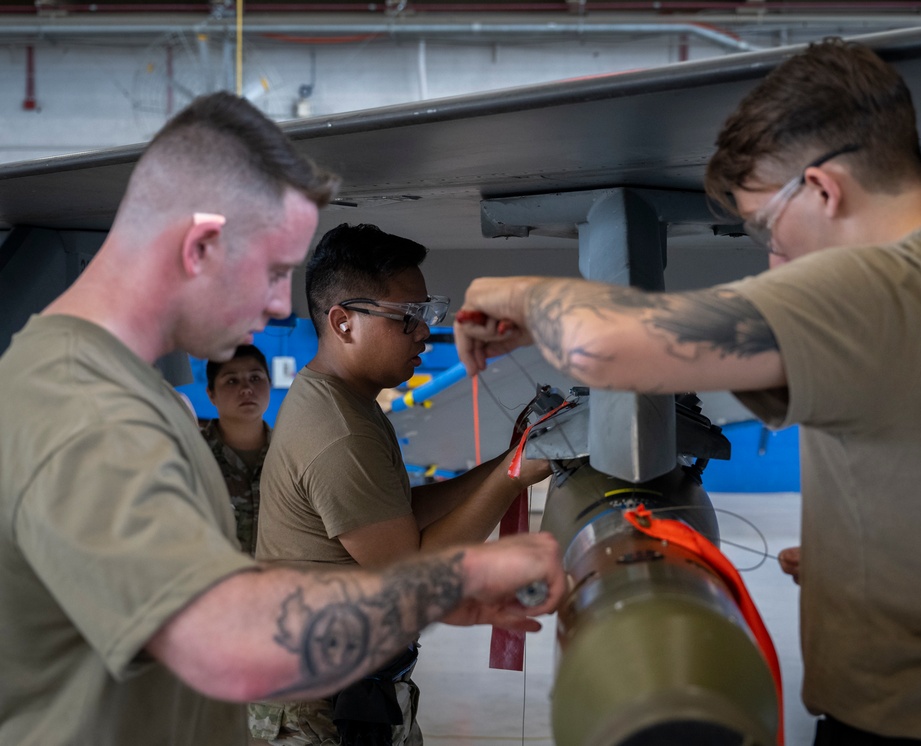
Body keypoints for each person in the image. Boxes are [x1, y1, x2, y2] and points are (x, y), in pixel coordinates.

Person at [452, 38, 921, 746]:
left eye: (769, 228)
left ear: (824, 189)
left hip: (914, 722)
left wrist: (518, 295)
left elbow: (612, 344)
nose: (774, 258)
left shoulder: (875, 289)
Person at [0, 91, 565, 746]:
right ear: (201, 246)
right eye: (273, 271)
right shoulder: (87, 410)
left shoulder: (119, 390)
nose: (277, 306)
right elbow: (223, 641)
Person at [254, 223, 552, 746]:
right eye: (408, 318)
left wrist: (514, 457)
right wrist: (515, 475)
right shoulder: (338, 430)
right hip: (316, 713)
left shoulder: (342, 402)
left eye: (428, 313)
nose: (424, 332)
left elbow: (398, 515)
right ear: (343, 323)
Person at [203, 343, 273, 556]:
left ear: (269, 384)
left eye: (255, 378)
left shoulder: (291, 451)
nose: (246, 389)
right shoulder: (193, 454)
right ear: (211, 394)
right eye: (232, 381)